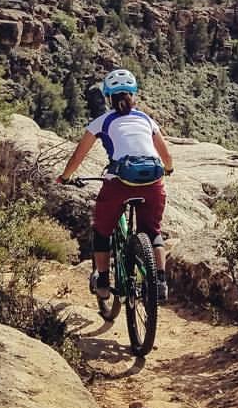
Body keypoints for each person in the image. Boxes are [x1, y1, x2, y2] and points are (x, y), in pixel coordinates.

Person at [57, 68, 174, 303]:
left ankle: (102, 280)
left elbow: (78, 156)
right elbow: (166, 156)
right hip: (153, 182)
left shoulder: (101, 122)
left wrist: (65, 177)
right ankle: (160, 281)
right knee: (152, 232)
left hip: (120, 183)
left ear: (109, 97)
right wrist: (169, 170)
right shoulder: (146, 119)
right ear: (133, 95)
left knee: (102, 231)